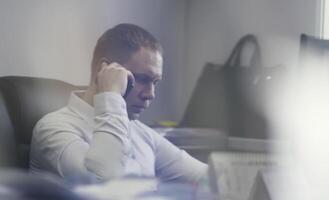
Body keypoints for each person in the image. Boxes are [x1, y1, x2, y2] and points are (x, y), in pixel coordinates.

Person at [29, 23, 207, 183]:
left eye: (155, 82)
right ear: (105, 70)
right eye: (142, 79)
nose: (150, 94)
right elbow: (104, 185)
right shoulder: (52, 129)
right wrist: (111, 95)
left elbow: (206, 177)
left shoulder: (140, 132)